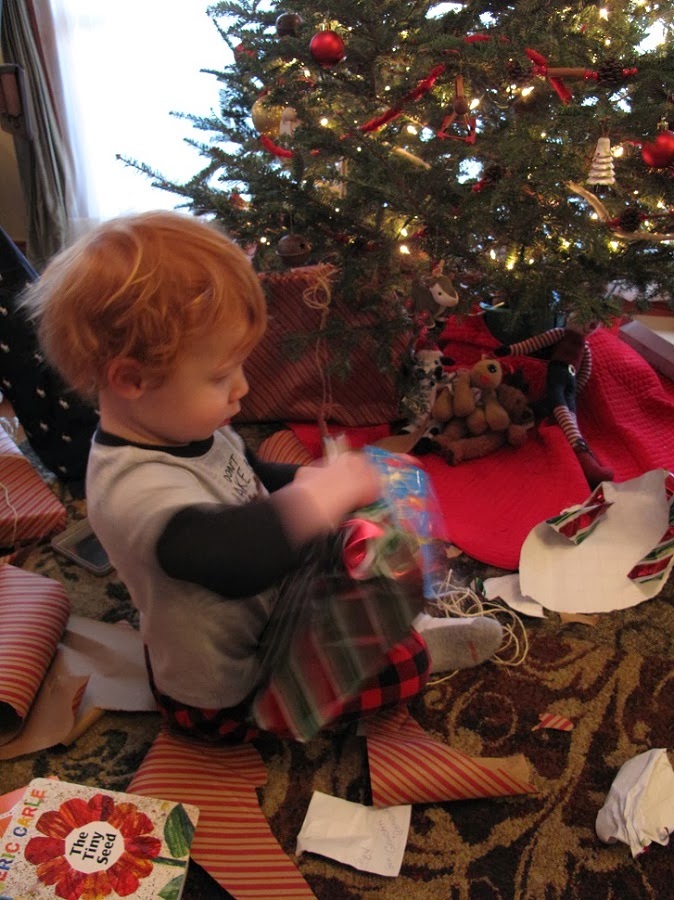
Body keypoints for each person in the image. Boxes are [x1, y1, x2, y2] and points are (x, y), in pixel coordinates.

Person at [22, 211, 503, 743]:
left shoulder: (181, 427)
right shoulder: (132, 491)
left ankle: (387, 624)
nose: (242, 388)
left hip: (270, 609)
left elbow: (251, 476)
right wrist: (321, 498)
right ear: (132, 379)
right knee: (404, 666)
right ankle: (417, 646)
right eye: (220, 375)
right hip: (228, 690)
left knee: (357, 539)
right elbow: (236, 561)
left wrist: (320, 479)